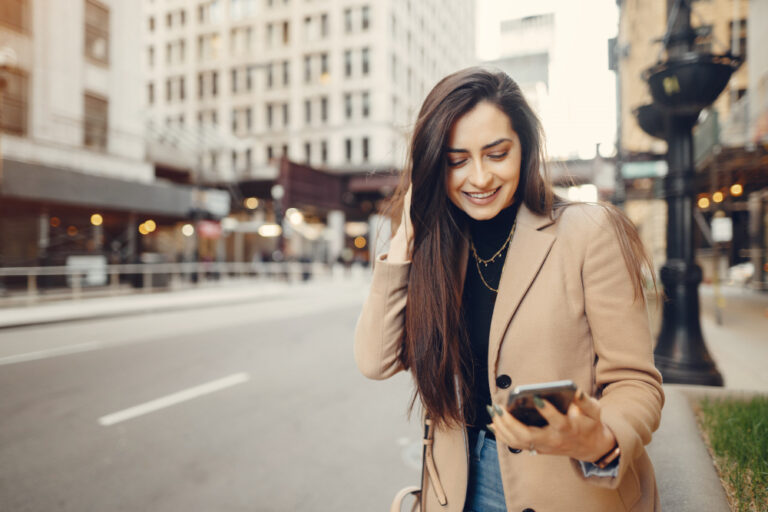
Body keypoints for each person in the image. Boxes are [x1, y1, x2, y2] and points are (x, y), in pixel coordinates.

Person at [354, 67, 664, 512]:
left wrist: (600, 438)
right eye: (456, 161)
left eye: (497, 154)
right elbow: (374, 360)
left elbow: (636, 382)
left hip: (571, 485)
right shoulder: (438, 250)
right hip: (457, 487)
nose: (478, 178)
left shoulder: (589, 232)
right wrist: (404, 245)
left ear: (525, 148)